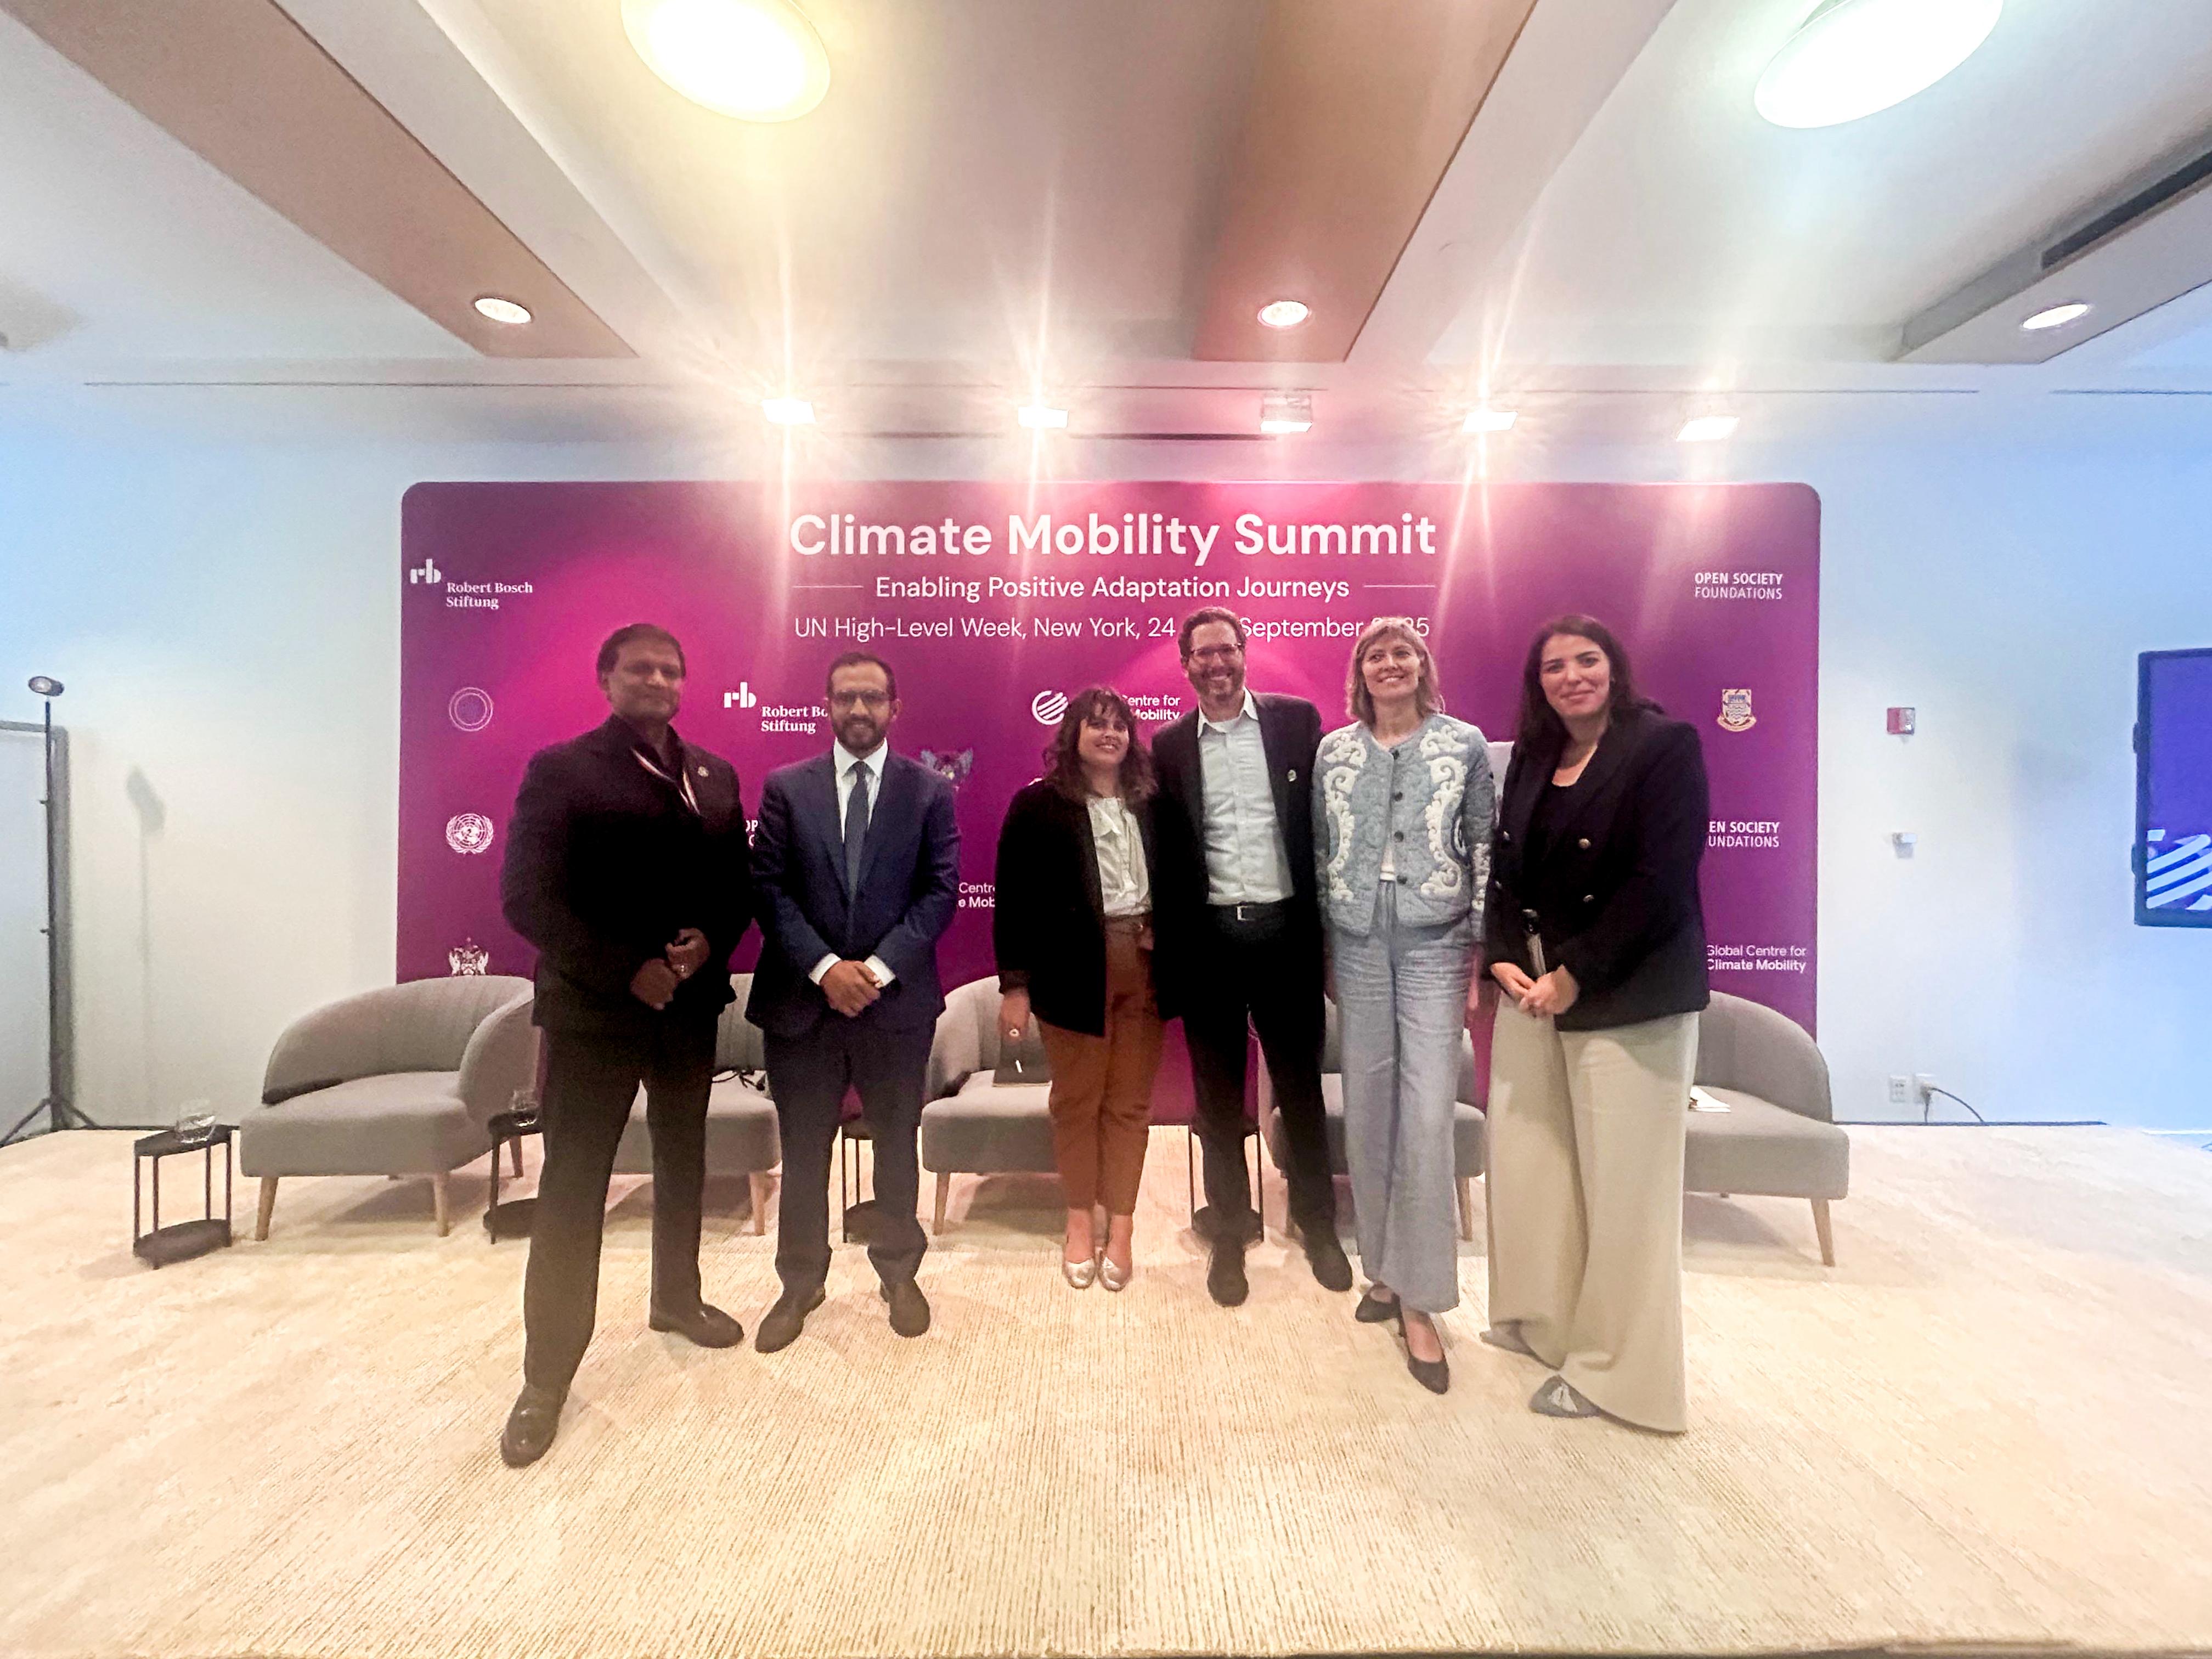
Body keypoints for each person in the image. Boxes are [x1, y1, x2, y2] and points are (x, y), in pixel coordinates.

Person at [496, 622, 754, 1468]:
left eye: (671, 670)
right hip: (594, 1015)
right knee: (574, 1190)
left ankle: (677, 1299)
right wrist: (624, 969)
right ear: (606, 679)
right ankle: (546, 1377)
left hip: (687, 1009)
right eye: (640, 668)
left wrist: (709, 944)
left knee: (684, 1164)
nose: (658, 680)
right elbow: (527, 898)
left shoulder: (714, 776)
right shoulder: (562, 770)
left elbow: (735, 887)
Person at [1481, 614, 1710, 1434]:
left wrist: (1577, 973)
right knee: (1535, 1165)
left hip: (1623, 991)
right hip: (1534, 991)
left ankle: (1623, 1377)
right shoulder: (1535, 755)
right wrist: (1500, 956)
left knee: (1626, 1193)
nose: (1571, 676)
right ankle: (1549, 1324)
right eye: (1554, 666)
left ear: (1614, 668)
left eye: (1587, 661)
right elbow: (1505, 869)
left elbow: (1662, 880)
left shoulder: (1664, 746)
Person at [747, 650, 960, 1351]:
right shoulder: (787, 787)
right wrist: (824, 969)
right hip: (801, 1004)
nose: (859, 710)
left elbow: (939, 893)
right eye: (846, 698)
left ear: (895, 707)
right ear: (827, 705)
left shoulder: (930, 791)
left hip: (894, 1006)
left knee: (896, 1144)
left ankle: (898, 1272)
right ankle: (800, 1281)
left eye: (872, 698)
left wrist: (871, 970)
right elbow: (769, 888)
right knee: (805, 1150)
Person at [1311, 619, 1493, 1393]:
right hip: (1357, 939)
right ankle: (1383, 1270)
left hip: (1436, 939)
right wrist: (1327, 944)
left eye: (1402, 652)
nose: (1390, 664)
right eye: (1375, 655)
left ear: (1423, 666)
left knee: (1425, 1115)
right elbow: (1321, 851)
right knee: (1371, 1106)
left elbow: (1483, 844)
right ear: (1361, 673)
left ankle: (1421, 1298)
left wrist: (1479, 944)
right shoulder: (1334, 751)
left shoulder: (1464, 744)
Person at [1151, 607, 1352, 1306]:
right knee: (1217, 1101)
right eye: (1202, 654)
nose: (1217, 663)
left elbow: (1325, 824)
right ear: (1186, 665)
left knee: (1301, 1091)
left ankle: (1318, 1225)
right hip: (1208, 941)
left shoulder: (1296, 722)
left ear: (1245, 652)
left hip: (1286, 935)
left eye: (1227, 650)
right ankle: (1231, 1232)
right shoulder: (1168, 746)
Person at [993, 687, 1164, 1291]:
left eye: (1119, 725)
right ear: (1074, 735)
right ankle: (1079, 1220)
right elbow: (1015, 900)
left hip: (1146, 969)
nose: (1109, 734)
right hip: (1070, 975)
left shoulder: (1154, 801)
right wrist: (1015, 987)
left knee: (1130, 1106)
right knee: (1077, 1103)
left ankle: (1122, 1226)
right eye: (1096, 724)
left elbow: (1183, 879)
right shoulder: (1038, 805)